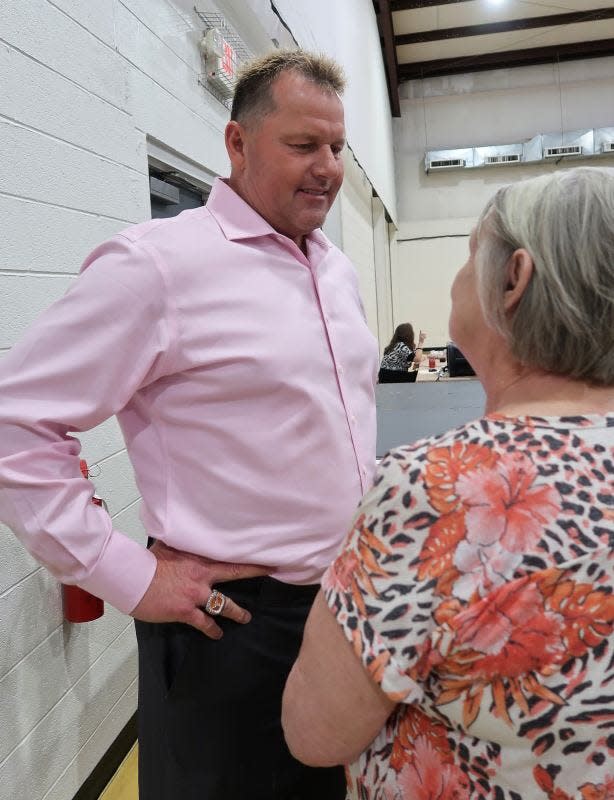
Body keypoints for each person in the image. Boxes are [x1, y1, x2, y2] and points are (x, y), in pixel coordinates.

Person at [0, 50, 379, 799]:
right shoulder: (158, 266)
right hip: (230, 624)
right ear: (237, 144)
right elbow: (19, 421)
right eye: (303, 145)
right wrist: (130, 577)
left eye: (337, 148)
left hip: (341, 606)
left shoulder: (334, 269)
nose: (327, 168)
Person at [282, 167, 614, 799]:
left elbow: (315, 731)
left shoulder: (437, 489)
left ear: (513, 279)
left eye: (469, 255)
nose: (460, 277)